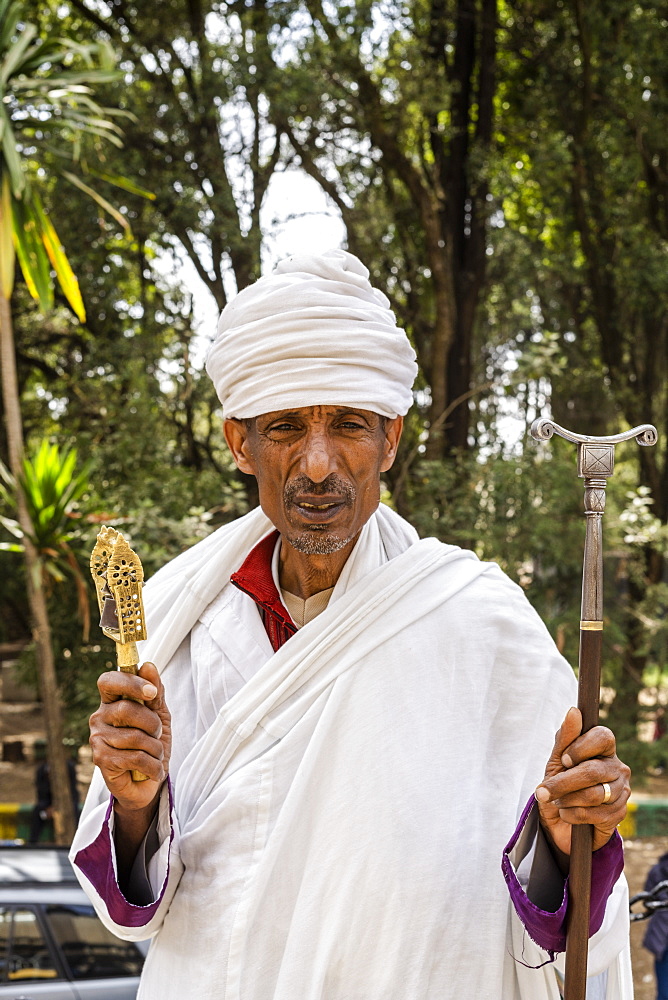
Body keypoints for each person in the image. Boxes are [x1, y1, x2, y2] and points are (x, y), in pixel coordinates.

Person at [70, 250, 632, 999]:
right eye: (284, 428)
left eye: (348, 425)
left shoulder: (483, 625)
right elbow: (139, 911)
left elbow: (564, 910)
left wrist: (566, 837)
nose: (316, 464)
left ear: (390, 440)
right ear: (240, 444)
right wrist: (136, 805)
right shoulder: (181, 619)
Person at [643, 850, 668, 999]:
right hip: (662, 939)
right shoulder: (657, 871)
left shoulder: (657, 870)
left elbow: (648, 894)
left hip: (661, 938)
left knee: (664, 991)